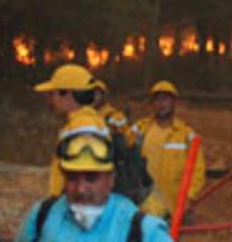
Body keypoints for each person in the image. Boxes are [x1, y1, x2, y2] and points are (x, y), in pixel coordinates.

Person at [15, 130, 171, 241]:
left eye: (91, 178)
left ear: (111, 179)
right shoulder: (42, 216)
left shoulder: (142, 231)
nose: (81, 189)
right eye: (72, 178)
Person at [133, 80, 205, 220]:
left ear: (174, 102)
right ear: (152, 104)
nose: (161, 104)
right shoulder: (139, 130)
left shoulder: (187, 135)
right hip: (143, 203)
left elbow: (197, 170)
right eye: (157, 99)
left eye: (166, 99)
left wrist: (189, 197)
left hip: (173, 207)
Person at [34, 64, 109, 197]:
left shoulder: (83, 125)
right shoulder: (84, 122)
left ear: (68, 94)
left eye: (53, 94)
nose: (50, 100)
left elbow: (84, 177)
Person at [93, 79, 135, 146]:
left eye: (96, 94)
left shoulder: (112, 115)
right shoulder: (82, 114)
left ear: (103, 96)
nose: (92, 97)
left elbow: (129, 134)